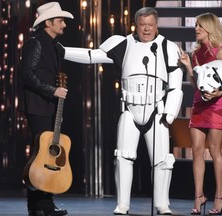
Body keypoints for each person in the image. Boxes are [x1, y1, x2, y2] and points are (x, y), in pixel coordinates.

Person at [63, 7, 183, 215]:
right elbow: (93, 55)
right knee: (123, 158)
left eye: (150, 25)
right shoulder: (123, 43)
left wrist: (169, 114)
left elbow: (175, 85)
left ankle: (163, 204)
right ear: (136, 25)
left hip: (157, 111)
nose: (146, 29)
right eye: (142, 25)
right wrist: (62, 51)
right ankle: (123, 204)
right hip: (129, 110)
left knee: (162, 161)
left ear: (157, 25)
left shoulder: (168, 48)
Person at [18, 2, 73, 216]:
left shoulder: (56, 46)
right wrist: (52, 90)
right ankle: (43, 204)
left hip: (50, 105)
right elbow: (27, 75)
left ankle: (39, 205)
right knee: (42, 153)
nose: (64, 25)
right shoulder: (36, 43)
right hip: (38, 104)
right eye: (60, 21)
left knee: (44, 153)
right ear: (48, 23)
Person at [179, 13, 222, 215]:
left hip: (217, 104)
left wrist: (218, 92)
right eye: (195, 26)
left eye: (200, 26)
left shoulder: (221, 51)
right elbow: (196, 83)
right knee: (196, 149)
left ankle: (220, 196)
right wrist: (188, 67)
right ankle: (199, 196)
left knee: (214, 150)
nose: (196, 29)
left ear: (210, 28)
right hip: (199, 104)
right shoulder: (196, 53)